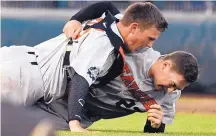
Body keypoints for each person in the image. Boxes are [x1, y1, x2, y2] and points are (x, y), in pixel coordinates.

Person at [0, 2, 168, 132]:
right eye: (150, 38)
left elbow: (106, 5)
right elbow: (80, 79)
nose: (149, 46)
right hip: (24, 76)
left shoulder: (112, 22)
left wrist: (75, 19)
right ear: (134, 28)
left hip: (20, 65)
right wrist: (75, 122)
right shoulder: (104, 42)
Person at [33, 2, 198, 133]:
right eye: (173, 84)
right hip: (61, 82)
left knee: (24, 125)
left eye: (177, 88)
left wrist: (156, 126)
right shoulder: (137, 49)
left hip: (79, 113)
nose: (171, 90)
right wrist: (75, 19)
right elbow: (109, 9)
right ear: (166, 65)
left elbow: (153, 130)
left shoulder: (169, 96)